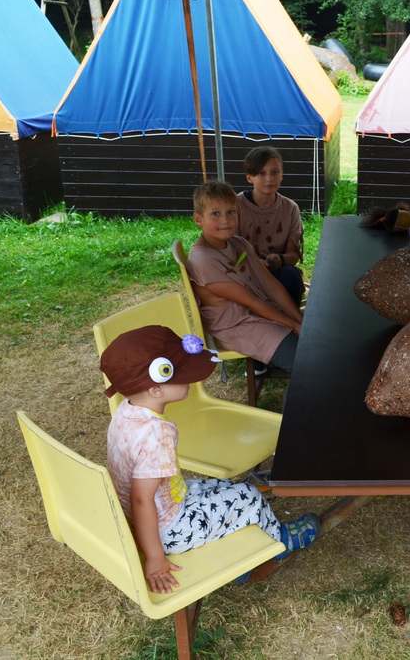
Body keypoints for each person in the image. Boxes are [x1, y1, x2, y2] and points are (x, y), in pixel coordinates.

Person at [99, 325, 320, 593]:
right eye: (185, 375)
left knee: (223, 487)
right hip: (169, 530)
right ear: (156, 388)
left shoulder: (126, 411)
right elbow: (141, 499)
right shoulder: (157, 432)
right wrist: (155, 557)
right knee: (248, 496)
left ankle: (237, 558)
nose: (192, 380)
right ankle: (279, 542)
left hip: (156, 511)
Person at [186, 179, 302, 373]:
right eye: (216, 213)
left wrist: (299, 320)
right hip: (238, 327)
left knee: (318, 337)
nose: (225, 220)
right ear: (198, 219)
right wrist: (293, 325)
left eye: (231, 212)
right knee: (308, 362)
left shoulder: (239, 243)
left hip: (259, 314)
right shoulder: (202, 260)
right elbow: (252, 302)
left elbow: (271, 285)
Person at [236, 146, 305, 306]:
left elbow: (293, 255)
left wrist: (279, 259)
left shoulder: (290, 208)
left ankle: (290, 320)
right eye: (262, 173)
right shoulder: (236, 206)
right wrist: (255, 263)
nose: (269, 179)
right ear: (249, 177)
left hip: (276, 271)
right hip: (244, 272)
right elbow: (229, 251)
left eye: (274, 172)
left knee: (291, 277)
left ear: (282, 175)